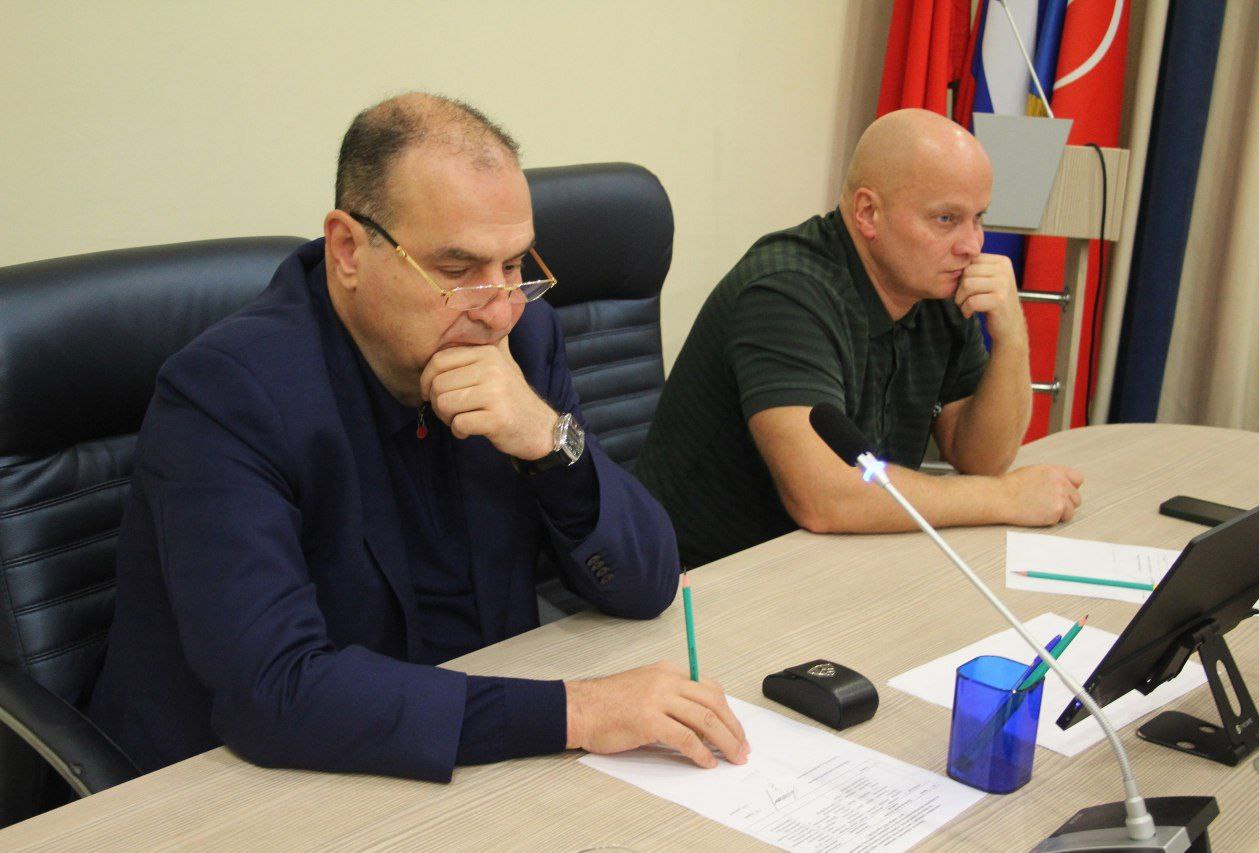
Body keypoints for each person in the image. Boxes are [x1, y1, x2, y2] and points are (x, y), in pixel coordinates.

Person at [89, 93, 747, 780]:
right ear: (348, 249)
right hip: (252, 784)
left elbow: (647, 583)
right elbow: (276, 689)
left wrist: (548, 438)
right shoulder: (227, 395)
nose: (499, 310)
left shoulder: (522, 339)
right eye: (458, 272)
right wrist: (578, 712)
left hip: (471, 748)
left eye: (514, 266)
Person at [636, 108, 1083, 568]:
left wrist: (1012, 339)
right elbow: (824, 497)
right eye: (946, 218)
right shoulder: (786, 292)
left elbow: (980, 459)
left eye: (978, 218)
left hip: (831, 562)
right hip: (703, 579)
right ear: (868, 212)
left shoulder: (939, 285)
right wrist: (1005, 498)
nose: (972, 245)